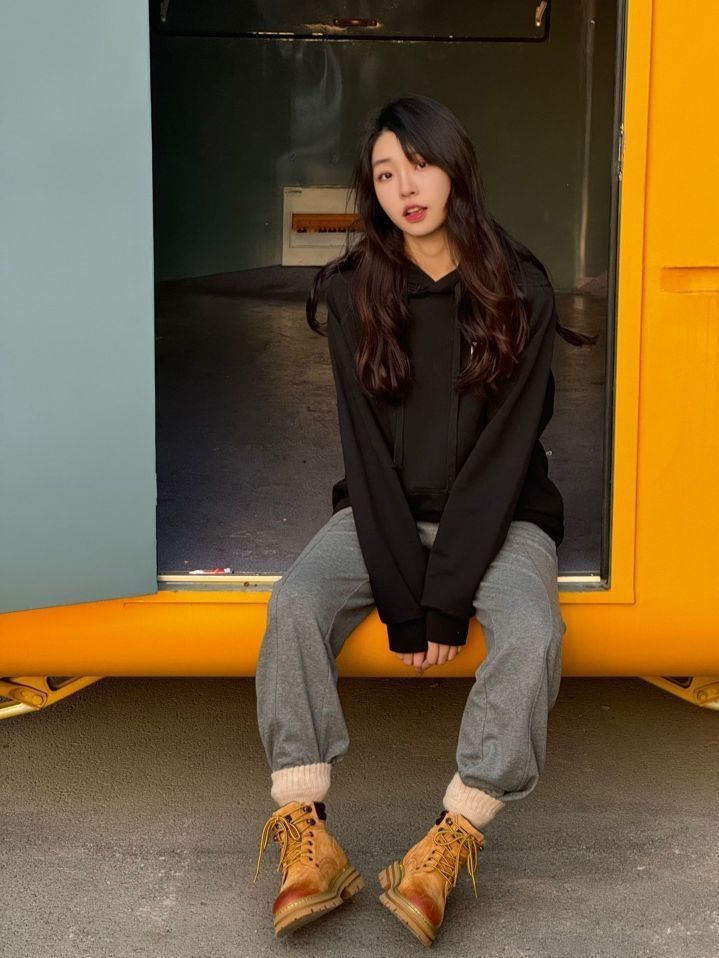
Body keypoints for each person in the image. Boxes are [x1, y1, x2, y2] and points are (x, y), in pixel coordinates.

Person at [253, 94, 598, 945]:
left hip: (504, 515)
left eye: (419, 165)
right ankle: (308, 835)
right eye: (384, 174)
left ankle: (449, 840)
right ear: (371, 190)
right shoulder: (351, 291)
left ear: (454, 169)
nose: (405, 188)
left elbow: (502, 460)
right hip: (385, 513)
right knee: (293, 605)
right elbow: (365, 455)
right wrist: (404, 600)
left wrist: (441, 603)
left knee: (531, 633)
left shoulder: (519, 287)